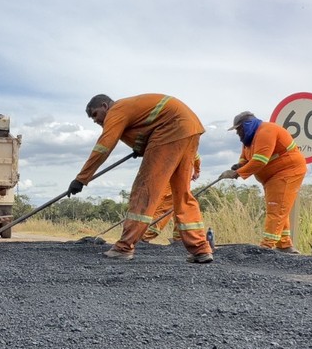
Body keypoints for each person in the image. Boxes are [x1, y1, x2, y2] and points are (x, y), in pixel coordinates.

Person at [69, 94, 214, 263]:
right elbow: (145, 128)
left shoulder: (117, 110)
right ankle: (201, 249)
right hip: (189, 127)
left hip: (170, 129)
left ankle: (124, 247)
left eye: (95, 115)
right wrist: (140, 146)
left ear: (104, 106)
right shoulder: (132, 108)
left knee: (144, 190)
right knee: (182, 194)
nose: (95, 121)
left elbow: (104, 146)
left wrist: (81, 178)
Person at [219, 110, 307, 252]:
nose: (237, 133)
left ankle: (267, 246)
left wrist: (237, 173)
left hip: (287, 172)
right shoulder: (249, 139)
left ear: (247, 125)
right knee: (278, 207)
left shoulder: (266, 132)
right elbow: (245, 157)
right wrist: (240, 165)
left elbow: (260, 160)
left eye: (239, 129)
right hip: (272, 177)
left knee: (276, 208)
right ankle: (284, 245)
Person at [145, 153, 200, 243]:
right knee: (179, 210)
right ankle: (178, 238)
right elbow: (196, 157)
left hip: (171, 185)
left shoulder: (173, 146)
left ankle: (146, 236)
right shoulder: (189, 145)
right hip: (176, 184)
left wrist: (196, 171)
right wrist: (197, 171)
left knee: (165, 211)